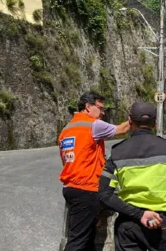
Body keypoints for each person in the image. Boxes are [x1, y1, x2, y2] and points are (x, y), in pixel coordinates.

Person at [99, 102, 166, 251]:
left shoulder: (116, 152)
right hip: (163, 224)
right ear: (154, 123)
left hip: (129, 224)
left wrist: (139, 214)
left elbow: (104, 195)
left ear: (129, 121)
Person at [58, 91, 130, 251]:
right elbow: (123, 129)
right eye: (100, 108)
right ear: (88, 107)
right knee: (77, 241)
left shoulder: (66, 130)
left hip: (70, 188)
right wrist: (138, 117)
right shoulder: (93, 125)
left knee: (87, 238)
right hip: (86, 189)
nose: (103, 113)